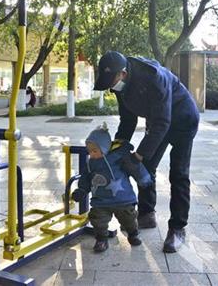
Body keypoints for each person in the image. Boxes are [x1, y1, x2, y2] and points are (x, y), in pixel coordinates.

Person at [93, 51, 199, 253]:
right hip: (158, 120)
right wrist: (117, 148)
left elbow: (162, 122)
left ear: (123, 73)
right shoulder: (118, 84)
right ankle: (146, 214)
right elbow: (128, 120)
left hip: (182, 120)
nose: (110, 87)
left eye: (111, 82)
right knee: (146, 167)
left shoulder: (153, 77)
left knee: (178, 173)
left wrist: (138, 155)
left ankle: (177, 228)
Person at [71, 123, 152, 253]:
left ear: (104, 148)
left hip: (123, 199)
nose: (91, 154)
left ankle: (133, 234)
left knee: (129, 219)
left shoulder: (119, 157)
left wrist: (144, 179)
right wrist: (81, 190)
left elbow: (134, 167)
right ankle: (101, 240)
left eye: (94, 151)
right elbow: (86, 178)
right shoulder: (91, 163)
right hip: (100, 201)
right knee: (98, 220)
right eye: (89, 151)